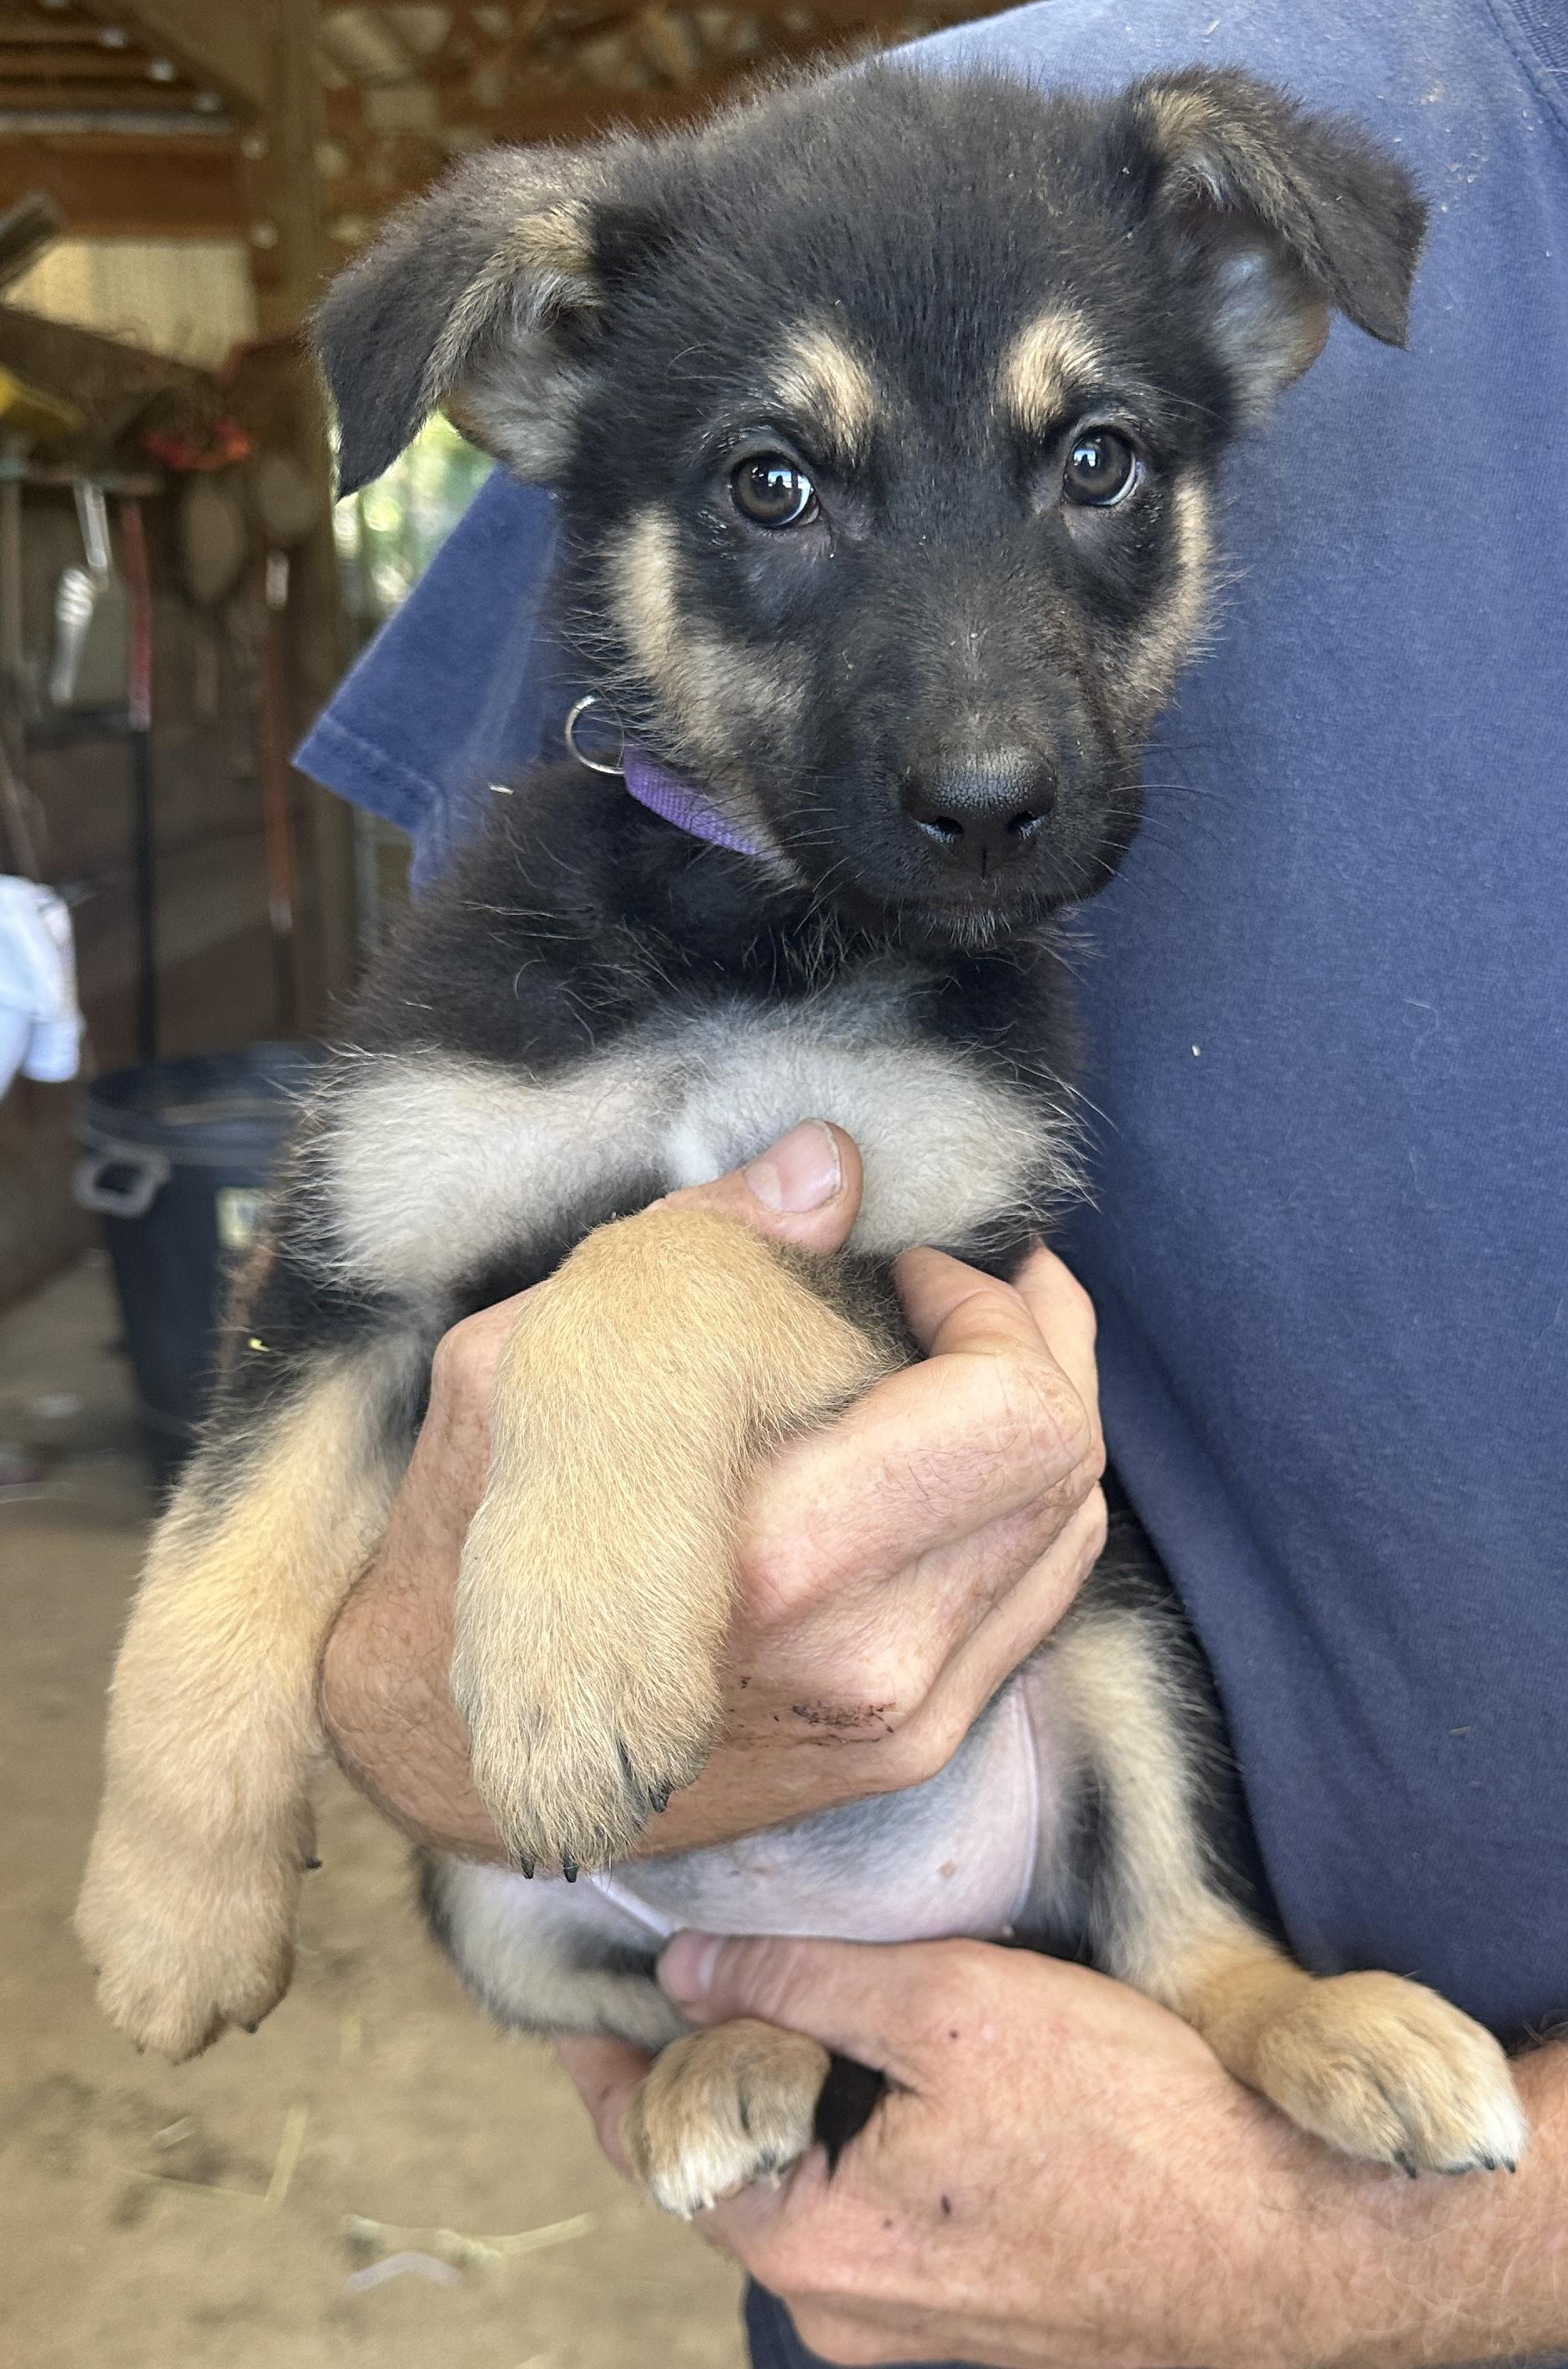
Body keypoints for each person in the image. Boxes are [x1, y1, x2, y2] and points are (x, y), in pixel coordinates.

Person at [299, 0, 1568, 2359]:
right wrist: (396, 1685)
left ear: (1240, 352)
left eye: (1092, 461)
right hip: (956, 2240)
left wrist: (1389, 2271)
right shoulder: (938, 167)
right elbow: (404, 1292)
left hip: (1246, 2077)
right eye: (784, 492)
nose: (987, 737)